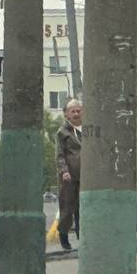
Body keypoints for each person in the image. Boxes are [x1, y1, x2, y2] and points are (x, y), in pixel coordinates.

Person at [55, 99, 83, 250]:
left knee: (82, 208)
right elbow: (59, 155)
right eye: (73, 111)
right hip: (69, 177)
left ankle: (82, 236)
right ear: (66, 114)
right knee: (67, 208)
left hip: (85, 176)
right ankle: (63, 236)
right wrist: (64, 171)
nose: (76, 113)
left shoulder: (88, 129)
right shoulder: (63, 132)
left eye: (79, 110)